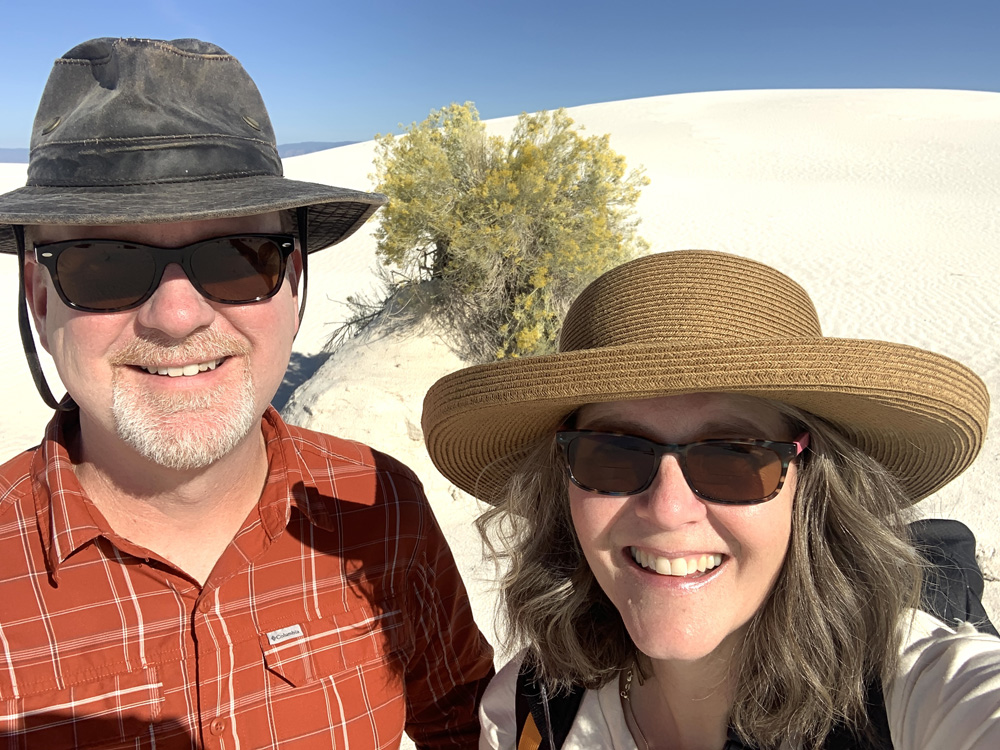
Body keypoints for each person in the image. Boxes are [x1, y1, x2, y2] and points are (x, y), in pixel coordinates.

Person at [0, 37, 492, 749]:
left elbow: (468, 727)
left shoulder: (380, 508)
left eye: (237, 257)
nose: (176, 316)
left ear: (292, 283)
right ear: (39, 299)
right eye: (104, 263)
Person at [420, 249, 1000, 750]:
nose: (669, 509)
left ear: (813, 486)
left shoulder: (919, 694)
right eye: (613, 455)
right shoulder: (529, 709)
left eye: (735, 458)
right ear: (562, 483)